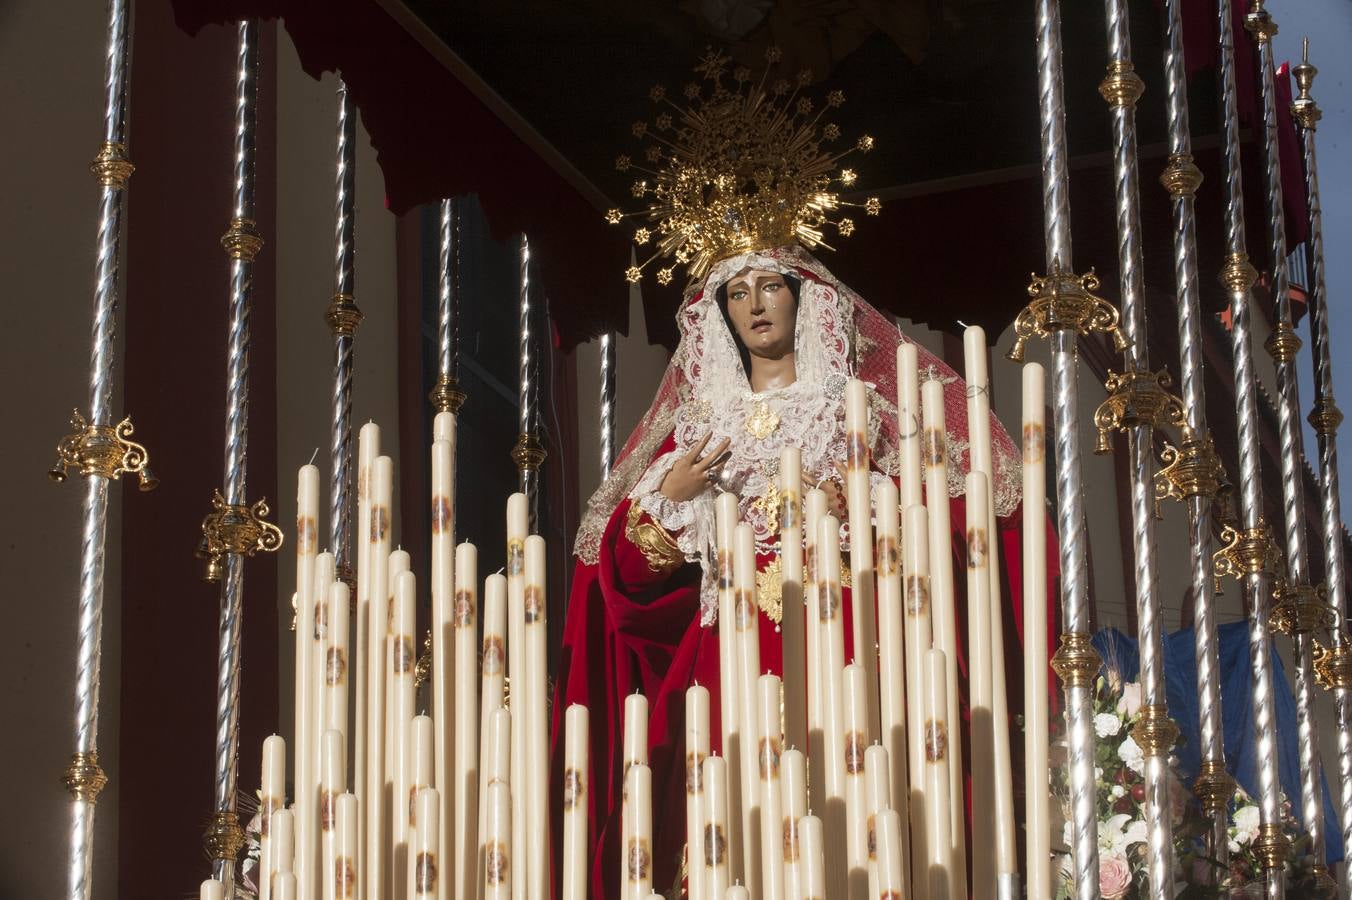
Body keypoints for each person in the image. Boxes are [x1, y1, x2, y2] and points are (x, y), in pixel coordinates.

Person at [550, 241, 1044, 897]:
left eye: (769, 286)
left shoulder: (862, 413)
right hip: (729, 656)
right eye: (736, 292)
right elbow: (624, 575)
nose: (754, 303)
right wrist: (675, 500)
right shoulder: (700, 425)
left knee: (860, 816)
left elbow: (953, 523)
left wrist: (868, 508)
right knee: (720, 825)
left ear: (801, 296)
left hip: (850, 644)